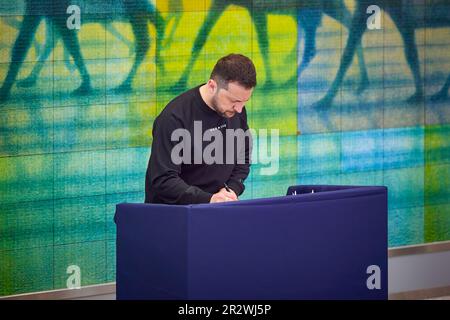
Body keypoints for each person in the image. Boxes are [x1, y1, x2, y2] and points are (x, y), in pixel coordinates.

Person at [145, 53, 256, 204]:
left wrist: (231, 189)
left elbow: (243, 157)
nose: (239, 109)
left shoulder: (236, 110)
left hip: (216, 209)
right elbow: (163, 179)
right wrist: (209, 199)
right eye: (234, 100)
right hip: (173, 214)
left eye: (245, 101)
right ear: (212, 86)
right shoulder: (174, 118)